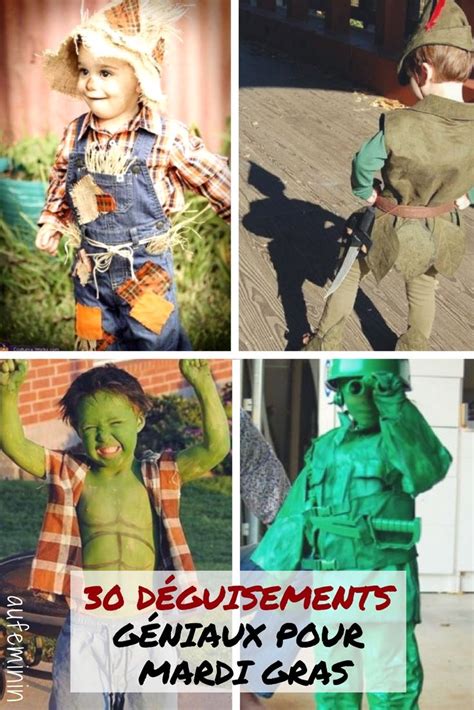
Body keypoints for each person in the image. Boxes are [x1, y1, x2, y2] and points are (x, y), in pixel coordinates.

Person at [0, 358, 230, 709]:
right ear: (76, 427)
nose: (104, 436)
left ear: (138, 419)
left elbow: (216, 449)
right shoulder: (73, 474)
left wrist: (202, 383)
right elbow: (15, 445)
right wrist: (9, 390)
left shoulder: (158, 475)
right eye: (91, 427)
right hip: (88, 625)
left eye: (115, 423)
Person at [251, 358, 452, 708]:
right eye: (352, 385)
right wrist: (272, 572)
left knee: (389, 679)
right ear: (338, 391)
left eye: (372, 386)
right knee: (334, 678)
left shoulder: (397, 443)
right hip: (332, 581)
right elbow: (299, 509)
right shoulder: (326, 448)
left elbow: (428, 469)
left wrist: (396, 412)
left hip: (384, 578)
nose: (361, 395)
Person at [35, 0, 230, 351]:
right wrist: (52, 220)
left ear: (139, 80)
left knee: (153, 338)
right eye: (84, 71)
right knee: (94, 339)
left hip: (144, 269)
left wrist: (238, 211)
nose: (91, 83)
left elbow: (213, 176)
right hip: (89, 269)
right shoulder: (75, 133)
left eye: (105, 73)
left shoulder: (164, 137)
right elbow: (61, 176)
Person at [304, 0, 474, 351]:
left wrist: (364, 190)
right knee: (424, 287)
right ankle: (414, 346)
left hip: (391, 224)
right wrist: (468, 197)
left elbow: (365, 161)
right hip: (441, 227)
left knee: (348, 272)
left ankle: (326, 342)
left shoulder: (402, 123)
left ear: (423, 72)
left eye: (409, 77)